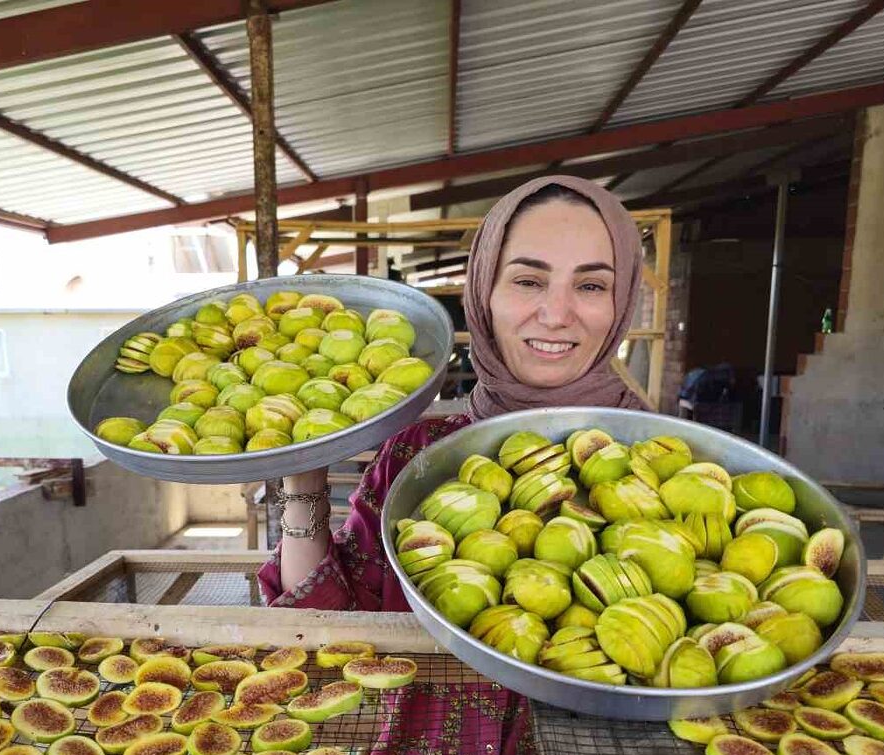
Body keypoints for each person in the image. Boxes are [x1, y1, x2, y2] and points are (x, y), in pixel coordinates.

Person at [257, 174, 647, 612]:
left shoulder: (666, 463)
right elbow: (326, 622)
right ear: (484, 292)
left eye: (591, 286)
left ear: (622, 300)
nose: (556, 314)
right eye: (528, 281)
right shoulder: (414, 456)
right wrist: (302, 476)